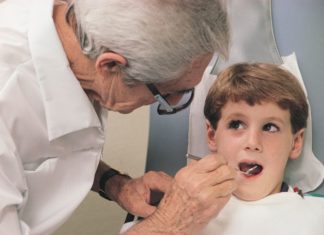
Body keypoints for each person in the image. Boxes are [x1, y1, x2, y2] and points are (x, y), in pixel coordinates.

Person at [0, 0, 237, 234]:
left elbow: (36, 146)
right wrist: (167, 224)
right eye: (167, 92)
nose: (173, 103)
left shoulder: (74, 28)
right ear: (111, 65)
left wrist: (115, 184)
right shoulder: (7, 92)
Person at [199, 63, 324, 234]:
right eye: (236, 124)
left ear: (295, 143)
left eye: (270, 127)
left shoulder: (318, 216)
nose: (252, 142)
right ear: (212, 135)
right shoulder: (183, 213)